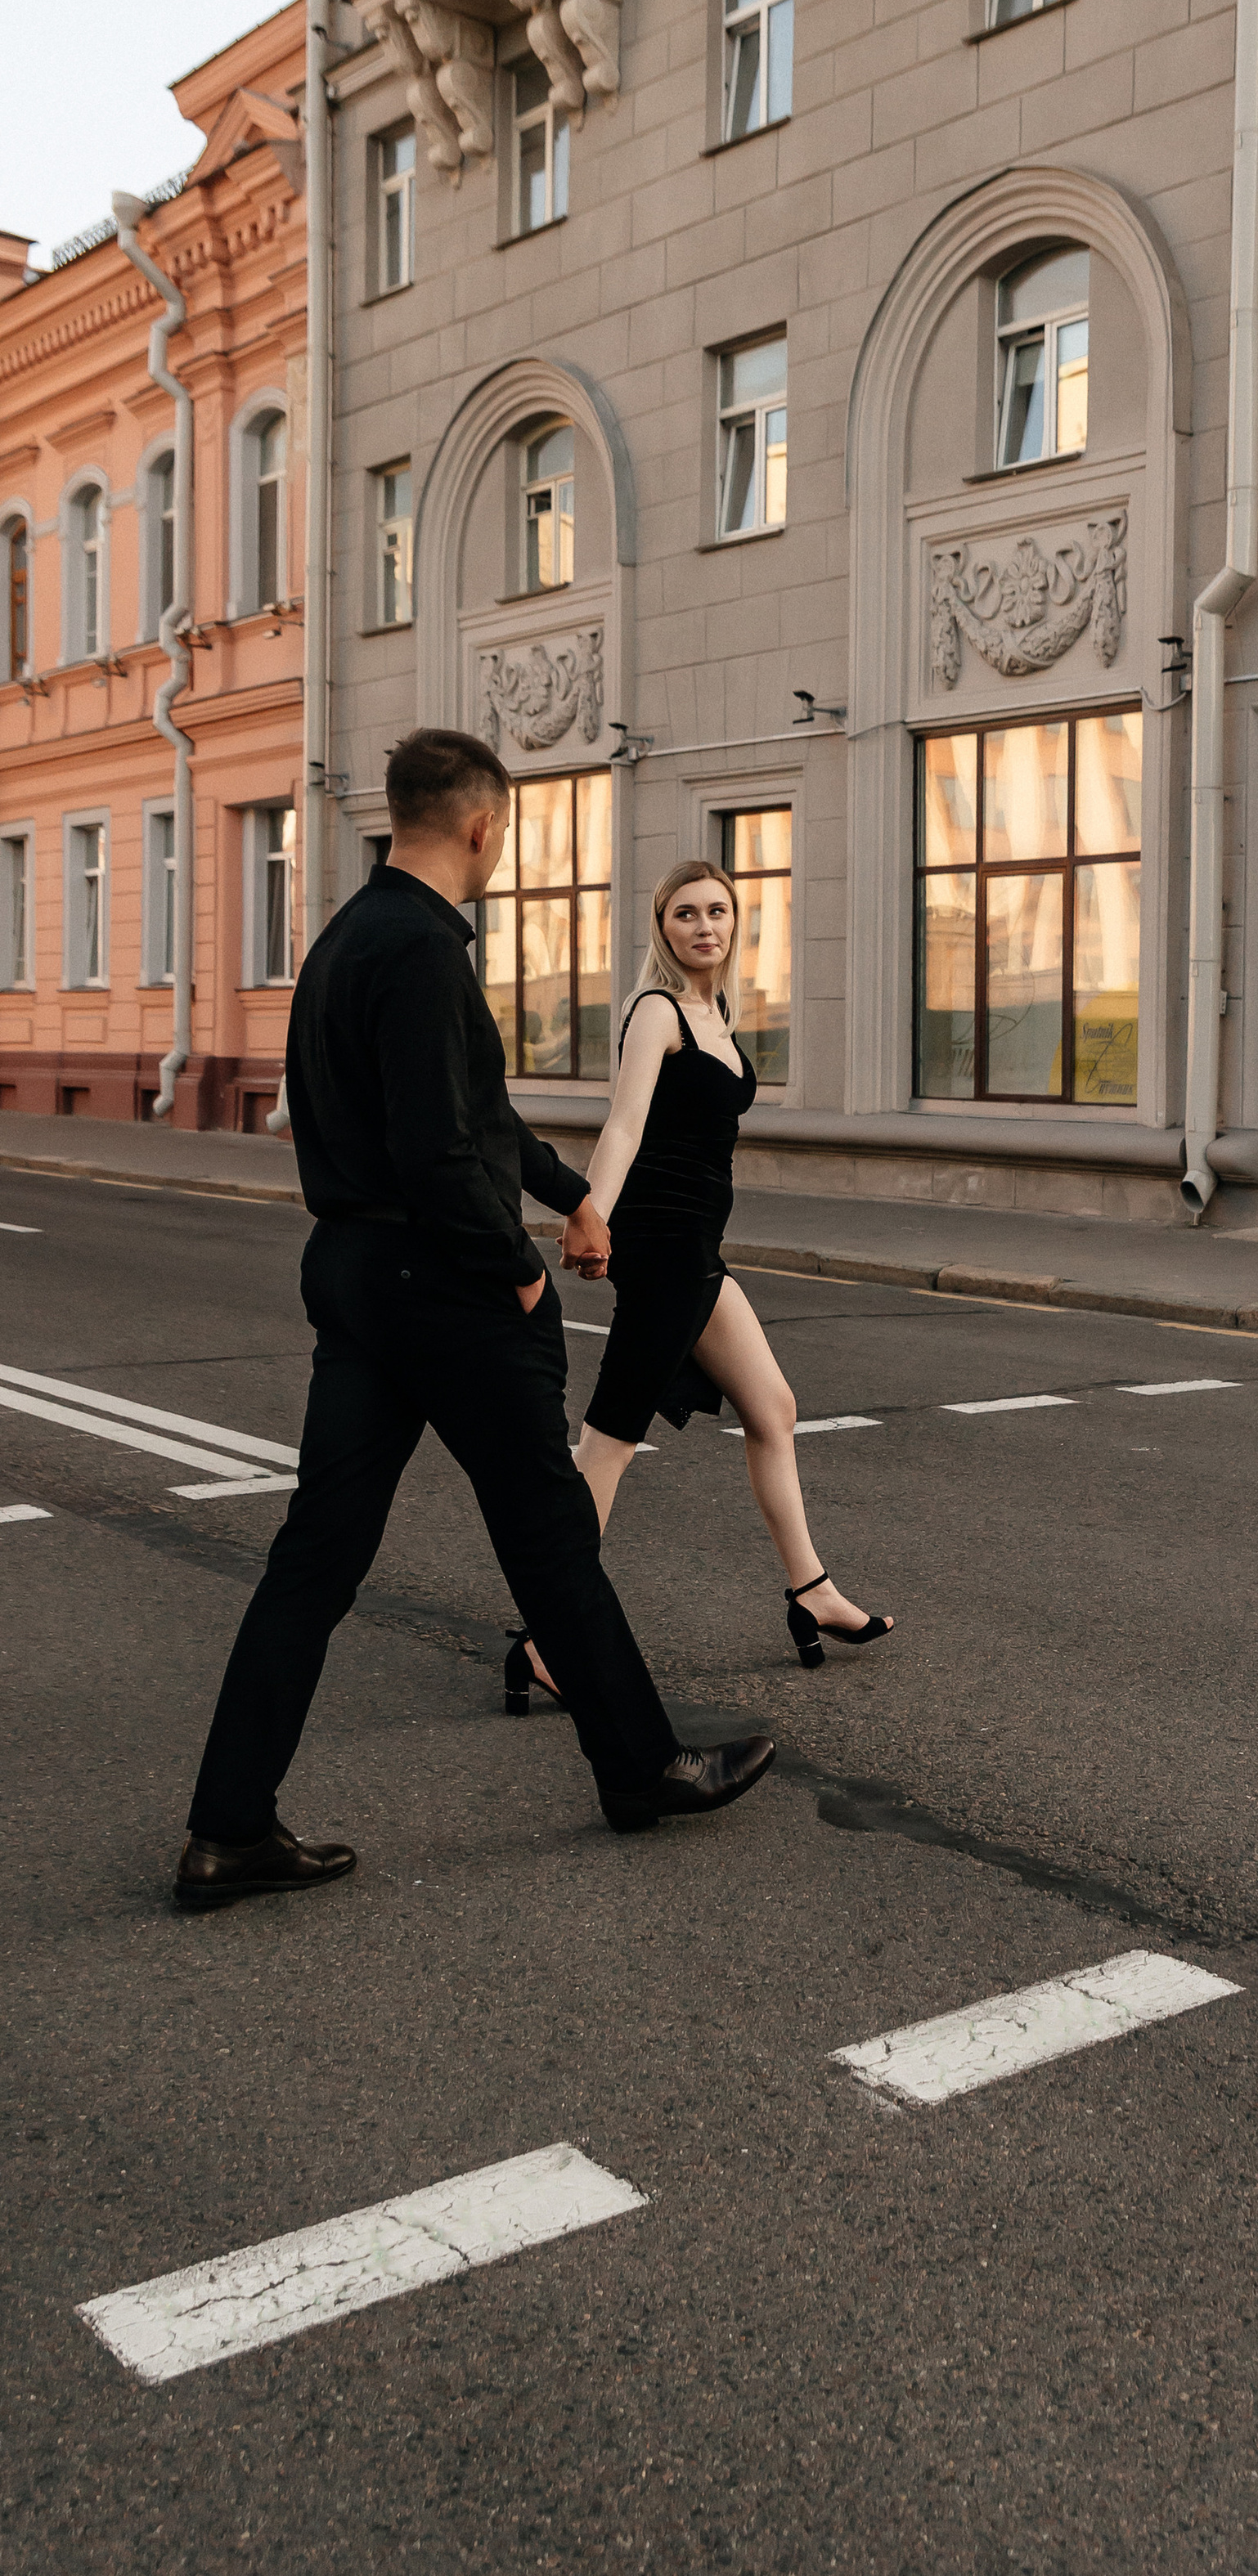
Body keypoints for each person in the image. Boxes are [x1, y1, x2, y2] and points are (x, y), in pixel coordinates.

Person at [174, 732, 775, 1910]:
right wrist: (521, 1270)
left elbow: (478, 1118)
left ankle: (228, 1827)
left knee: (316, 1557)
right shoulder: (425, 954)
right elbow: (441, 1148)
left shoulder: (347, 939)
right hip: (441, 1287)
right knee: (550, 1534)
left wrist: (574, 1199)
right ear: (486, 828)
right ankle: (644, 1767)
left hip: (353, 1274)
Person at [507, 855, 892, 1715]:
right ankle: (544, 1641)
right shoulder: (655, 1011)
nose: (704, 926)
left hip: (698, 1252)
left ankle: (810, 1590)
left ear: (735, 924)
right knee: (608, 1441)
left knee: (774, 1408)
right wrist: (589, 1216)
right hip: (662, 1247)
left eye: (717, 911)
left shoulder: (715, 1009)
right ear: (663, 927)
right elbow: (624, 1124)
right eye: (686, 914)